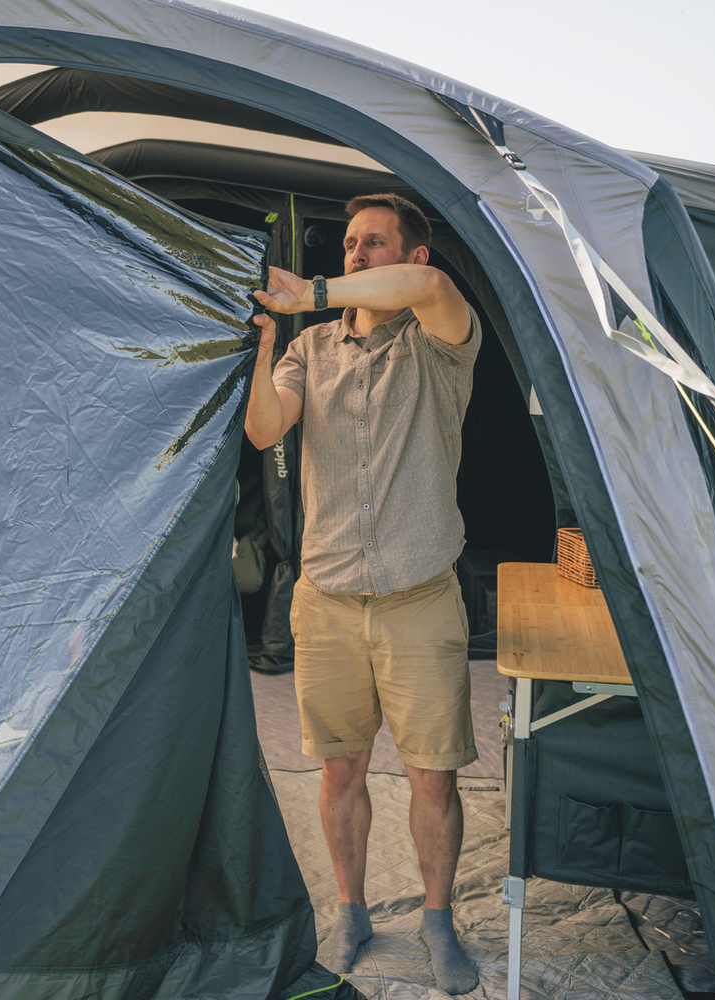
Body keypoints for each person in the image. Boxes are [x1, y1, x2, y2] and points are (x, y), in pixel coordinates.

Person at [246, 194, 481, 995]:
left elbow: (432, 291)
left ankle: (438, 920)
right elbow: (265, 429)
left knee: (433, 778)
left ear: (412, 257)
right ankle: (351, 911)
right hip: (330, 601)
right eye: (348, 244)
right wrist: (266, 345)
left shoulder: (440, 338)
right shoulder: (311, 348)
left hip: (420, 598)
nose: (353, 255)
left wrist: (306, 290)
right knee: (341, 772)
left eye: (372, 243)